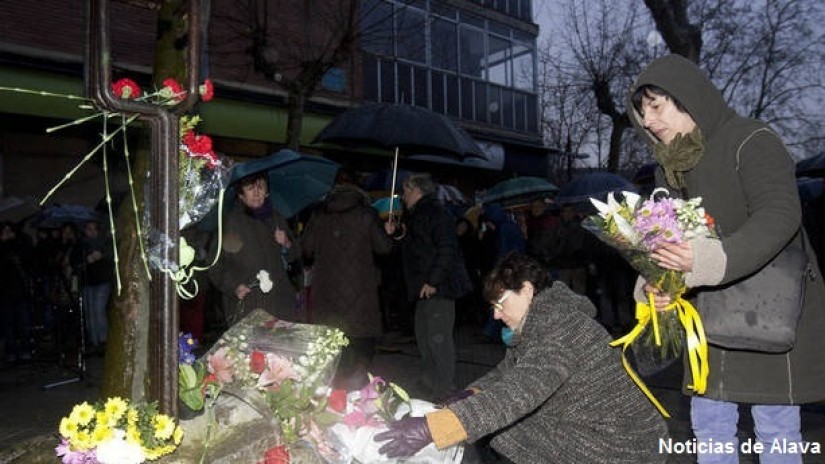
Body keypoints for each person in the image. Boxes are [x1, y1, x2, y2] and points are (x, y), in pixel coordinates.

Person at [628, 54, 825, 463]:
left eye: (656, 106)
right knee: (710, 425)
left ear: (688, 98)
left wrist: (707, 261)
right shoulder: (669, 169)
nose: (647, 120)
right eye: (641, 112)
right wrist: (657, 284)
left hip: (774, 311)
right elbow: (671, 239)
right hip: (711, 317)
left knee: (775, 428)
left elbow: (780, 214)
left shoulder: (752, 139)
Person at [373, 252, 669, 463]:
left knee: (499, 427)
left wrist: (435, 428)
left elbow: (521, 391)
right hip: (583, 425)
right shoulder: (539, 321)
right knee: (494, 429)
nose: (496, 315)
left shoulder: (562, 326)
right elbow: (506, 373)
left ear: (527, 290)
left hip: (620, 444)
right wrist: (469, 393)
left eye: (500, 304)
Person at [384, 173, 472, 400]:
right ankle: (429, 381)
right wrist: (397, 235)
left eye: (406, 191)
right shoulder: (418, 215)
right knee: (424, 337)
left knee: (438, 339)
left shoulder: (436, 213)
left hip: (438, 288)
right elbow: (416, 247)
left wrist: (433, 281)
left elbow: (446, 249)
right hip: (422, 288)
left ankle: (444, 388)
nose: (403, 196)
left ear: (417, 191)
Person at [300, 180, 394, 390]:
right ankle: (356, 408)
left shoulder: (318, 215)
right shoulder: (367, 214)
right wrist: (388, 232)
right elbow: (385, 249)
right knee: (359, 363)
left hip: (326, 302)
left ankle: (330, 403)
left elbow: (305, 249)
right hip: (360, 302)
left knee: (331, 360)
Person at [208, 171, 302, 326]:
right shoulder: (232, 223)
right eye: (250, 187)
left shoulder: (277, 218)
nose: (257, 192)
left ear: (267, 192)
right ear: (240, 194)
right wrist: (234, 286)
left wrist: (287, 243)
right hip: (249, 305)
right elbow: (215, 265)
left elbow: (296, 255)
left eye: (261, 186)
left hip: (280, 304)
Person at [71, 220, 113, 355]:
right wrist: (87, 260)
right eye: (89, 229)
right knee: (89, 314)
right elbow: (74, 263)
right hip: (87, 282)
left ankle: (103, 342)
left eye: (94, 228)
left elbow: (112, 257)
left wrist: (102, 256)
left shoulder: (105, 242)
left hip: (102, 281)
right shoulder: (80, 245)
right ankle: (94, 342)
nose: (92, 231)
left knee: (98, 311)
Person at [0, 222, 35, 362]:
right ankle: (11, 351)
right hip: (4, 294)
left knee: (24, 323)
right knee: (8, 325)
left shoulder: (19, 244)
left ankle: (26, 349)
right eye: (5, 230)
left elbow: (28, 260)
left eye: (10, 230)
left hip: (20, 292)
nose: (8, 233)